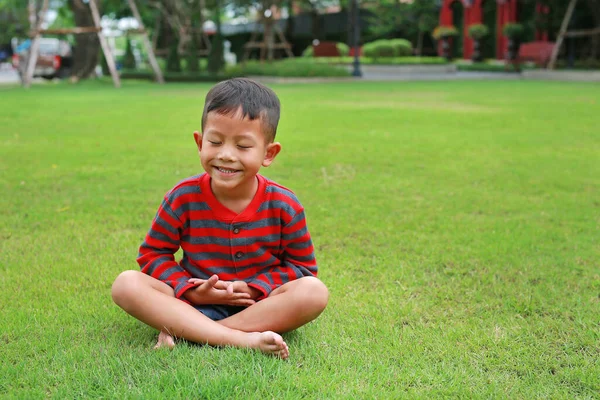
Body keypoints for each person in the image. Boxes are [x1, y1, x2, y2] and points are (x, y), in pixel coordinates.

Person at [111, 78, 329, 359]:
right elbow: (154, 255)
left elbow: (302, 268)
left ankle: (194, 332)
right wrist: (191, 289)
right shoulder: (182, 197)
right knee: (126, 284)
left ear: (269, 153)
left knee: (314, 292)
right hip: (193, 302)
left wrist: (254, 288)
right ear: (200, 143)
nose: (226, 155)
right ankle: (237, 339)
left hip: (260, 306)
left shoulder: (284, 205)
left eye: (243, 146)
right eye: (215, 142)